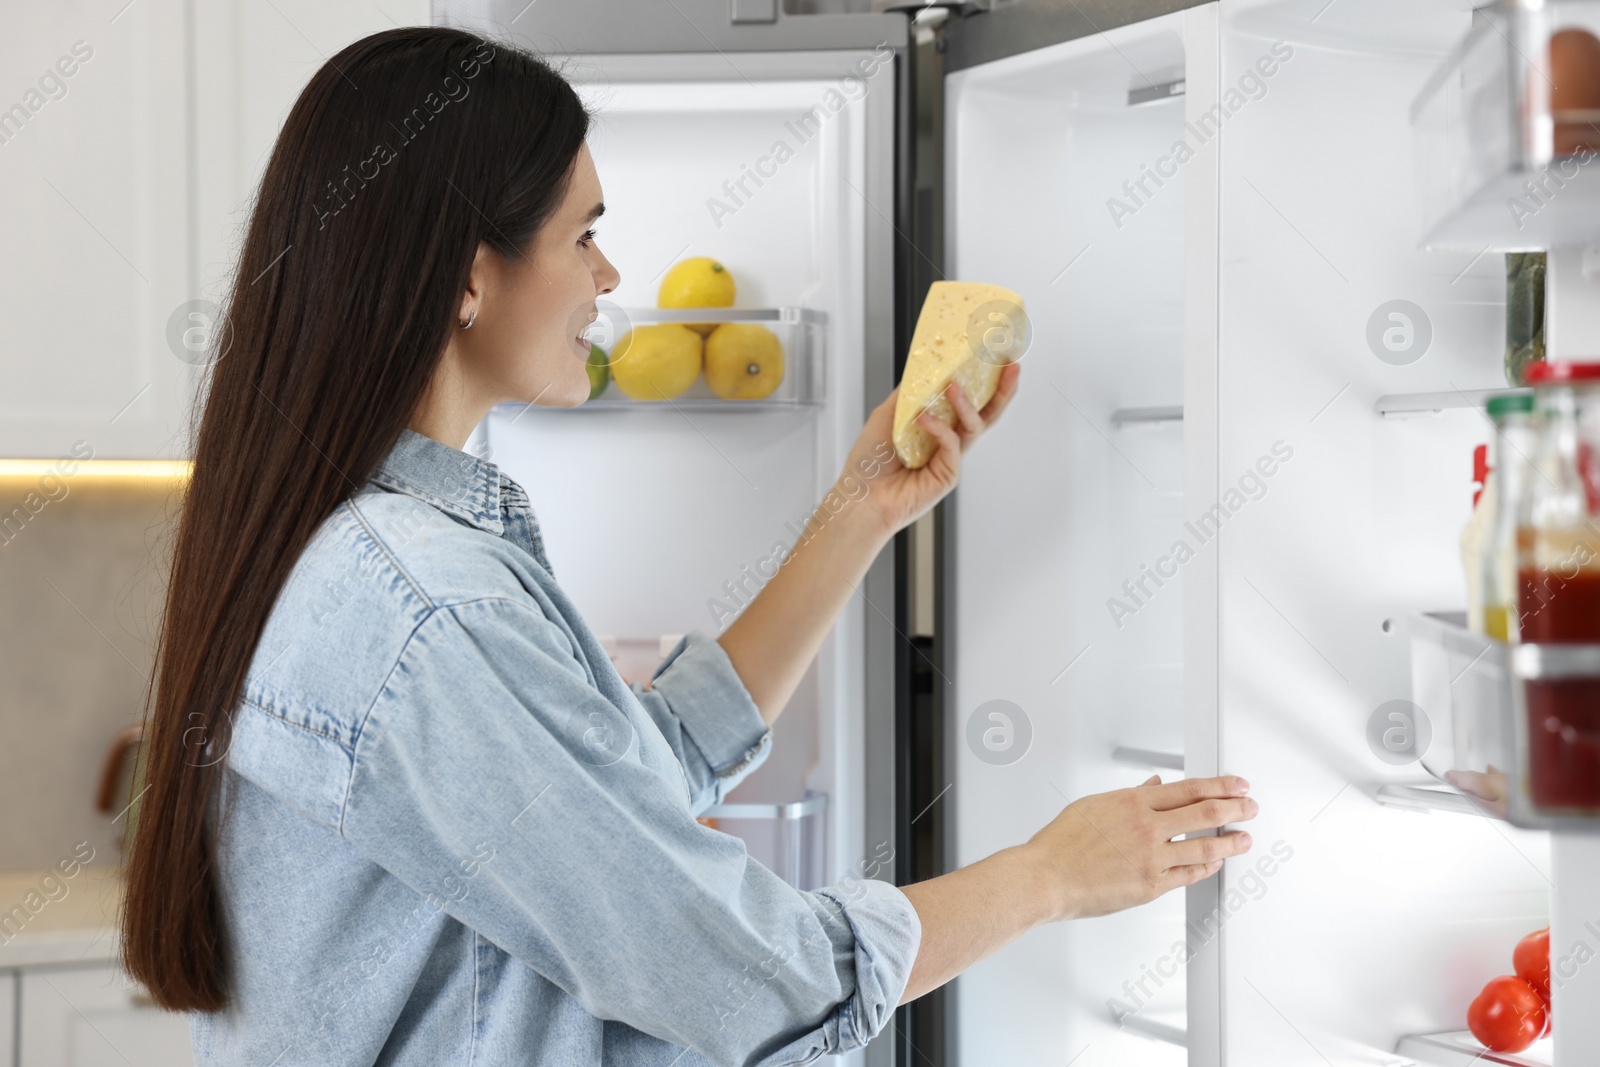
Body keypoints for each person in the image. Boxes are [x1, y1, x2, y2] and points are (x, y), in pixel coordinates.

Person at [119, 26, 1257, 1066]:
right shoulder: (429, 605)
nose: (608, 278)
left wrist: (860, 508)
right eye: (586, 235)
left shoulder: (365, 550)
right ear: (471, 277)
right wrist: (1048, 875)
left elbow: (628, 781)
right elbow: (741, 974)